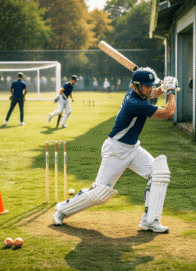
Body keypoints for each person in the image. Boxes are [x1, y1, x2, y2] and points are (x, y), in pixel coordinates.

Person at [53, 67, 178, 233]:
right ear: (136, 86)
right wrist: (170, 91)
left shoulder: (135, 94)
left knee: (159, 174)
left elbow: (152, 94)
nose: (149, 89)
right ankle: (61, 209)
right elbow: (169, 113)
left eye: (150, 85)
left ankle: (150, 221)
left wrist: (162, 88)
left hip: (133, 148)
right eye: (146, 86)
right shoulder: (135, 103)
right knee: (99, 194)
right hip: (116, 150)